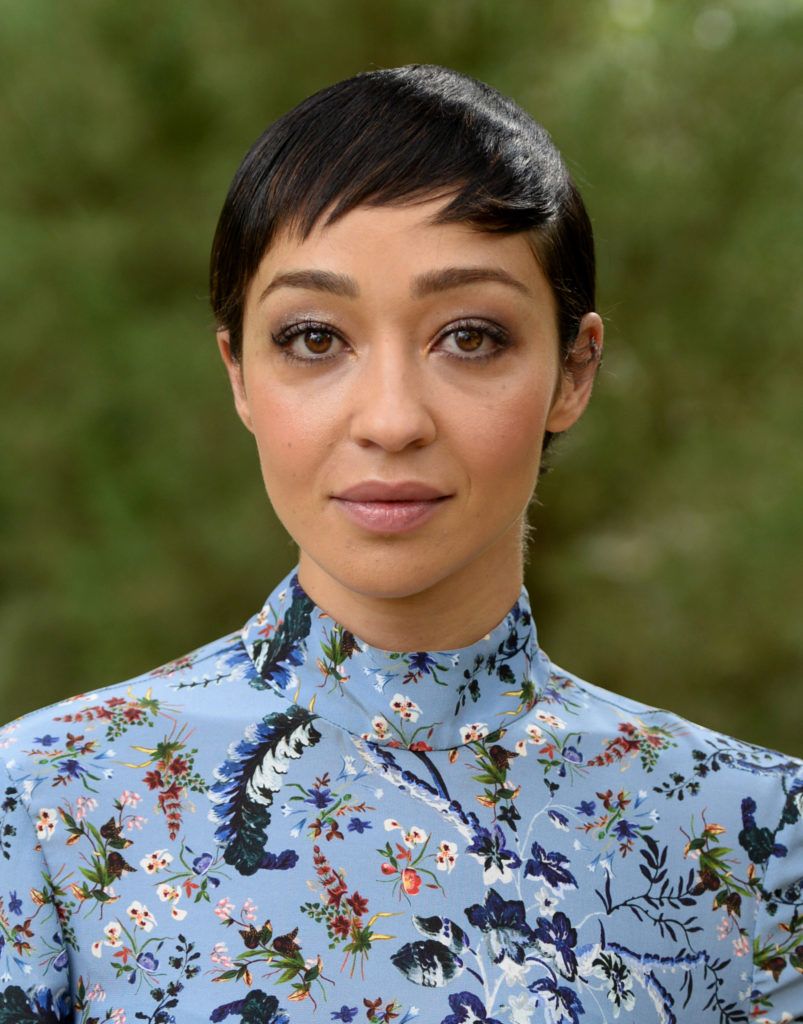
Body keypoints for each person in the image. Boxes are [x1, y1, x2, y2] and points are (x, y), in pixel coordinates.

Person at [1, 64, 800, 1024]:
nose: (389, 420)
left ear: (573, 371)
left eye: (468, 336)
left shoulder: (754, 836)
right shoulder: (49, 803)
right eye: (311, 338)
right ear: (240, 375)